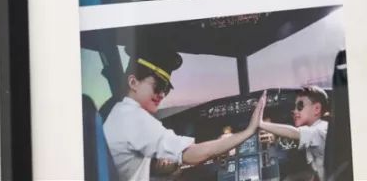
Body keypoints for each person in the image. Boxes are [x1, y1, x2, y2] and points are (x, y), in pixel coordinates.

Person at [102, 42, 267, 181]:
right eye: (158, 86)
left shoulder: (118, 113)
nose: (162, 94)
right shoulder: (134, 118)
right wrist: (248, 132)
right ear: (133, 82)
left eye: (166, 89)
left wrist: (168, 164)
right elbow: (191, 154)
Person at [260, 87, 331, 181]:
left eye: (300, 106)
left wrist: (261, 124)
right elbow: (315, 169)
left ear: (317, 109)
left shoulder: (320, 130)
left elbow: (293, 133)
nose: (295, 111)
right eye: (295, 107)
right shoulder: (316, 129)